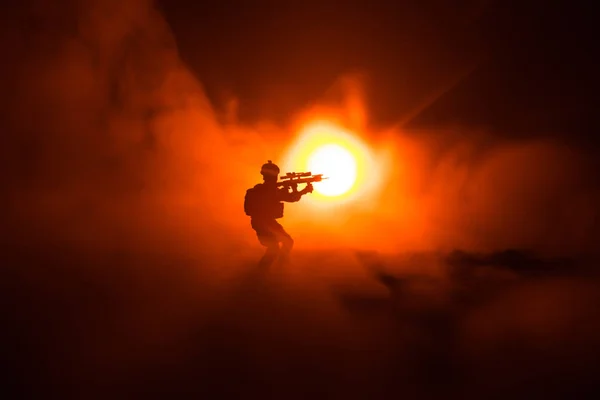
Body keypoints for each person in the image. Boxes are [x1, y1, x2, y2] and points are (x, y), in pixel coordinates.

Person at [244, 160, 313, 267]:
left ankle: (281, 266)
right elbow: (292, 198)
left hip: (265, 222)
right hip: (263, 223)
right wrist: (302, 190)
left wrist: (294, 188)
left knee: (286, 242)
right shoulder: (270, 190)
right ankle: (263, 271)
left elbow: (289, 197)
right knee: (274, 248)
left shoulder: (260, 189)